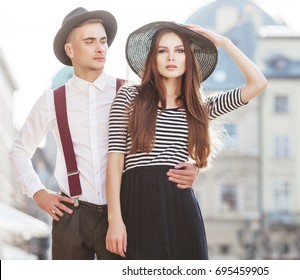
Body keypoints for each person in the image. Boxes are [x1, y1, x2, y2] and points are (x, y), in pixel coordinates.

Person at [8, 8, 198, 260]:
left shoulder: (133, 94)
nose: (100, 48)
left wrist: (192, 165)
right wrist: (37, 192)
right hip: (71, 216)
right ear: (70, 50)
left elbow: (172, 129)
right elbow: (19, 150)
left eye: (103, 41)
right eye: (89, 41)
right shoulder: (52, 100)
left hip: (124, 212)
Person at [105, 21, 267, 259]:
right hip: (136, 202)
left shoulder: (199, 108)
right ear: (153, 58)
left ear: (188, 58)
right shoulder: (130, 96)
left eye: (179, 50)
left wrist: (224, 43)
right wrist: (115, 220)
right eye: (163, 50)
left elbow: (258, 84)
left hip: (179, 206)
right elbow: (115, 160)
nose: (171, 57)